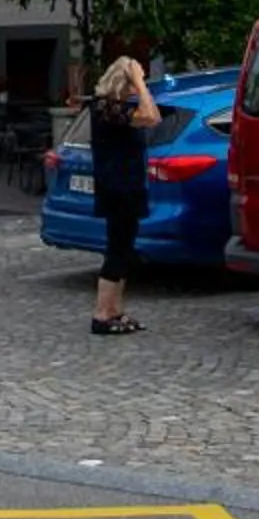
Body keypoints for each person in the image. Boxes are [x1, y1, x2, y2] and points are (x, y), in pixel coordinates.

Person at [86, 55, 162, 337]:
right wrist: (140, 83)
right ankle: (102, 313)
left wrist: (139, 85)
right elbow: (151, 117)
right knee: (117, 249)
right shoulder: (106, 108)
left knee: (124, 247)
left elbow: (151, 115)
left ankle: (115, 309)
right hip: (118, 187)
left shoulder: (113, 107)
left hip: (126, 184)